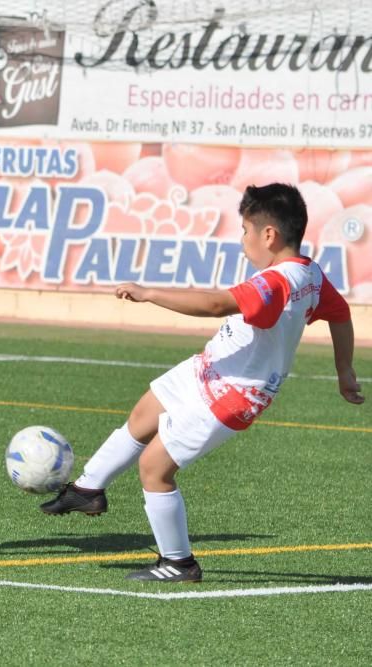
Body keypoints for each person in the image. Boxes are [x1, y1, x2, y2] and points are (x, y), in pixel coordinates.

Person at [40, 183, 364, 582]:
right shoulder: (309, 273)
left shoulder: (276, 283)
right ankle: (88, 490)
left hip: (232, 393)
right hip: (210, 368)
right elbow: (341, 312)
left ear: (269, 235)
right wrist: (344, 369)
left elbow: (214, 305)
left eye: (245, 231)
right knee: (146, 410)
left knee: (154, 468)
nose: (242, 240)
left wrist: (149, 293)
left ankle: (179, 562)